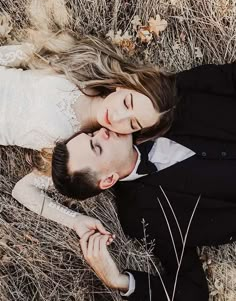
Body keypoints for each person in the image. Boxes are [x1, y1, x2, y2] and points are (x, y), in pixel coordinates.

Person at [51, 62, 236, 300]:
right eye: (97, 147)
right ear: (108, 180)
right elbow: (192, 290)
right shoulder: (141, 217)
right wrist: (119, 280)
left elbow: (230, 76)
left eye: (91, 134)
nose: (102, 132)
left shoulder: (151, 105)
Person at [0, 34, 175, 238]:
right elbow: (30, 51)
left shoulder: (79, 150)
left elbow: (23, 190)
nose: (118, 117)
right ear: (125, 86)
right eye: (127, 103)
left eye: (133, 123)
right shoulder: (84, 69)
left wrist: (75, 220)